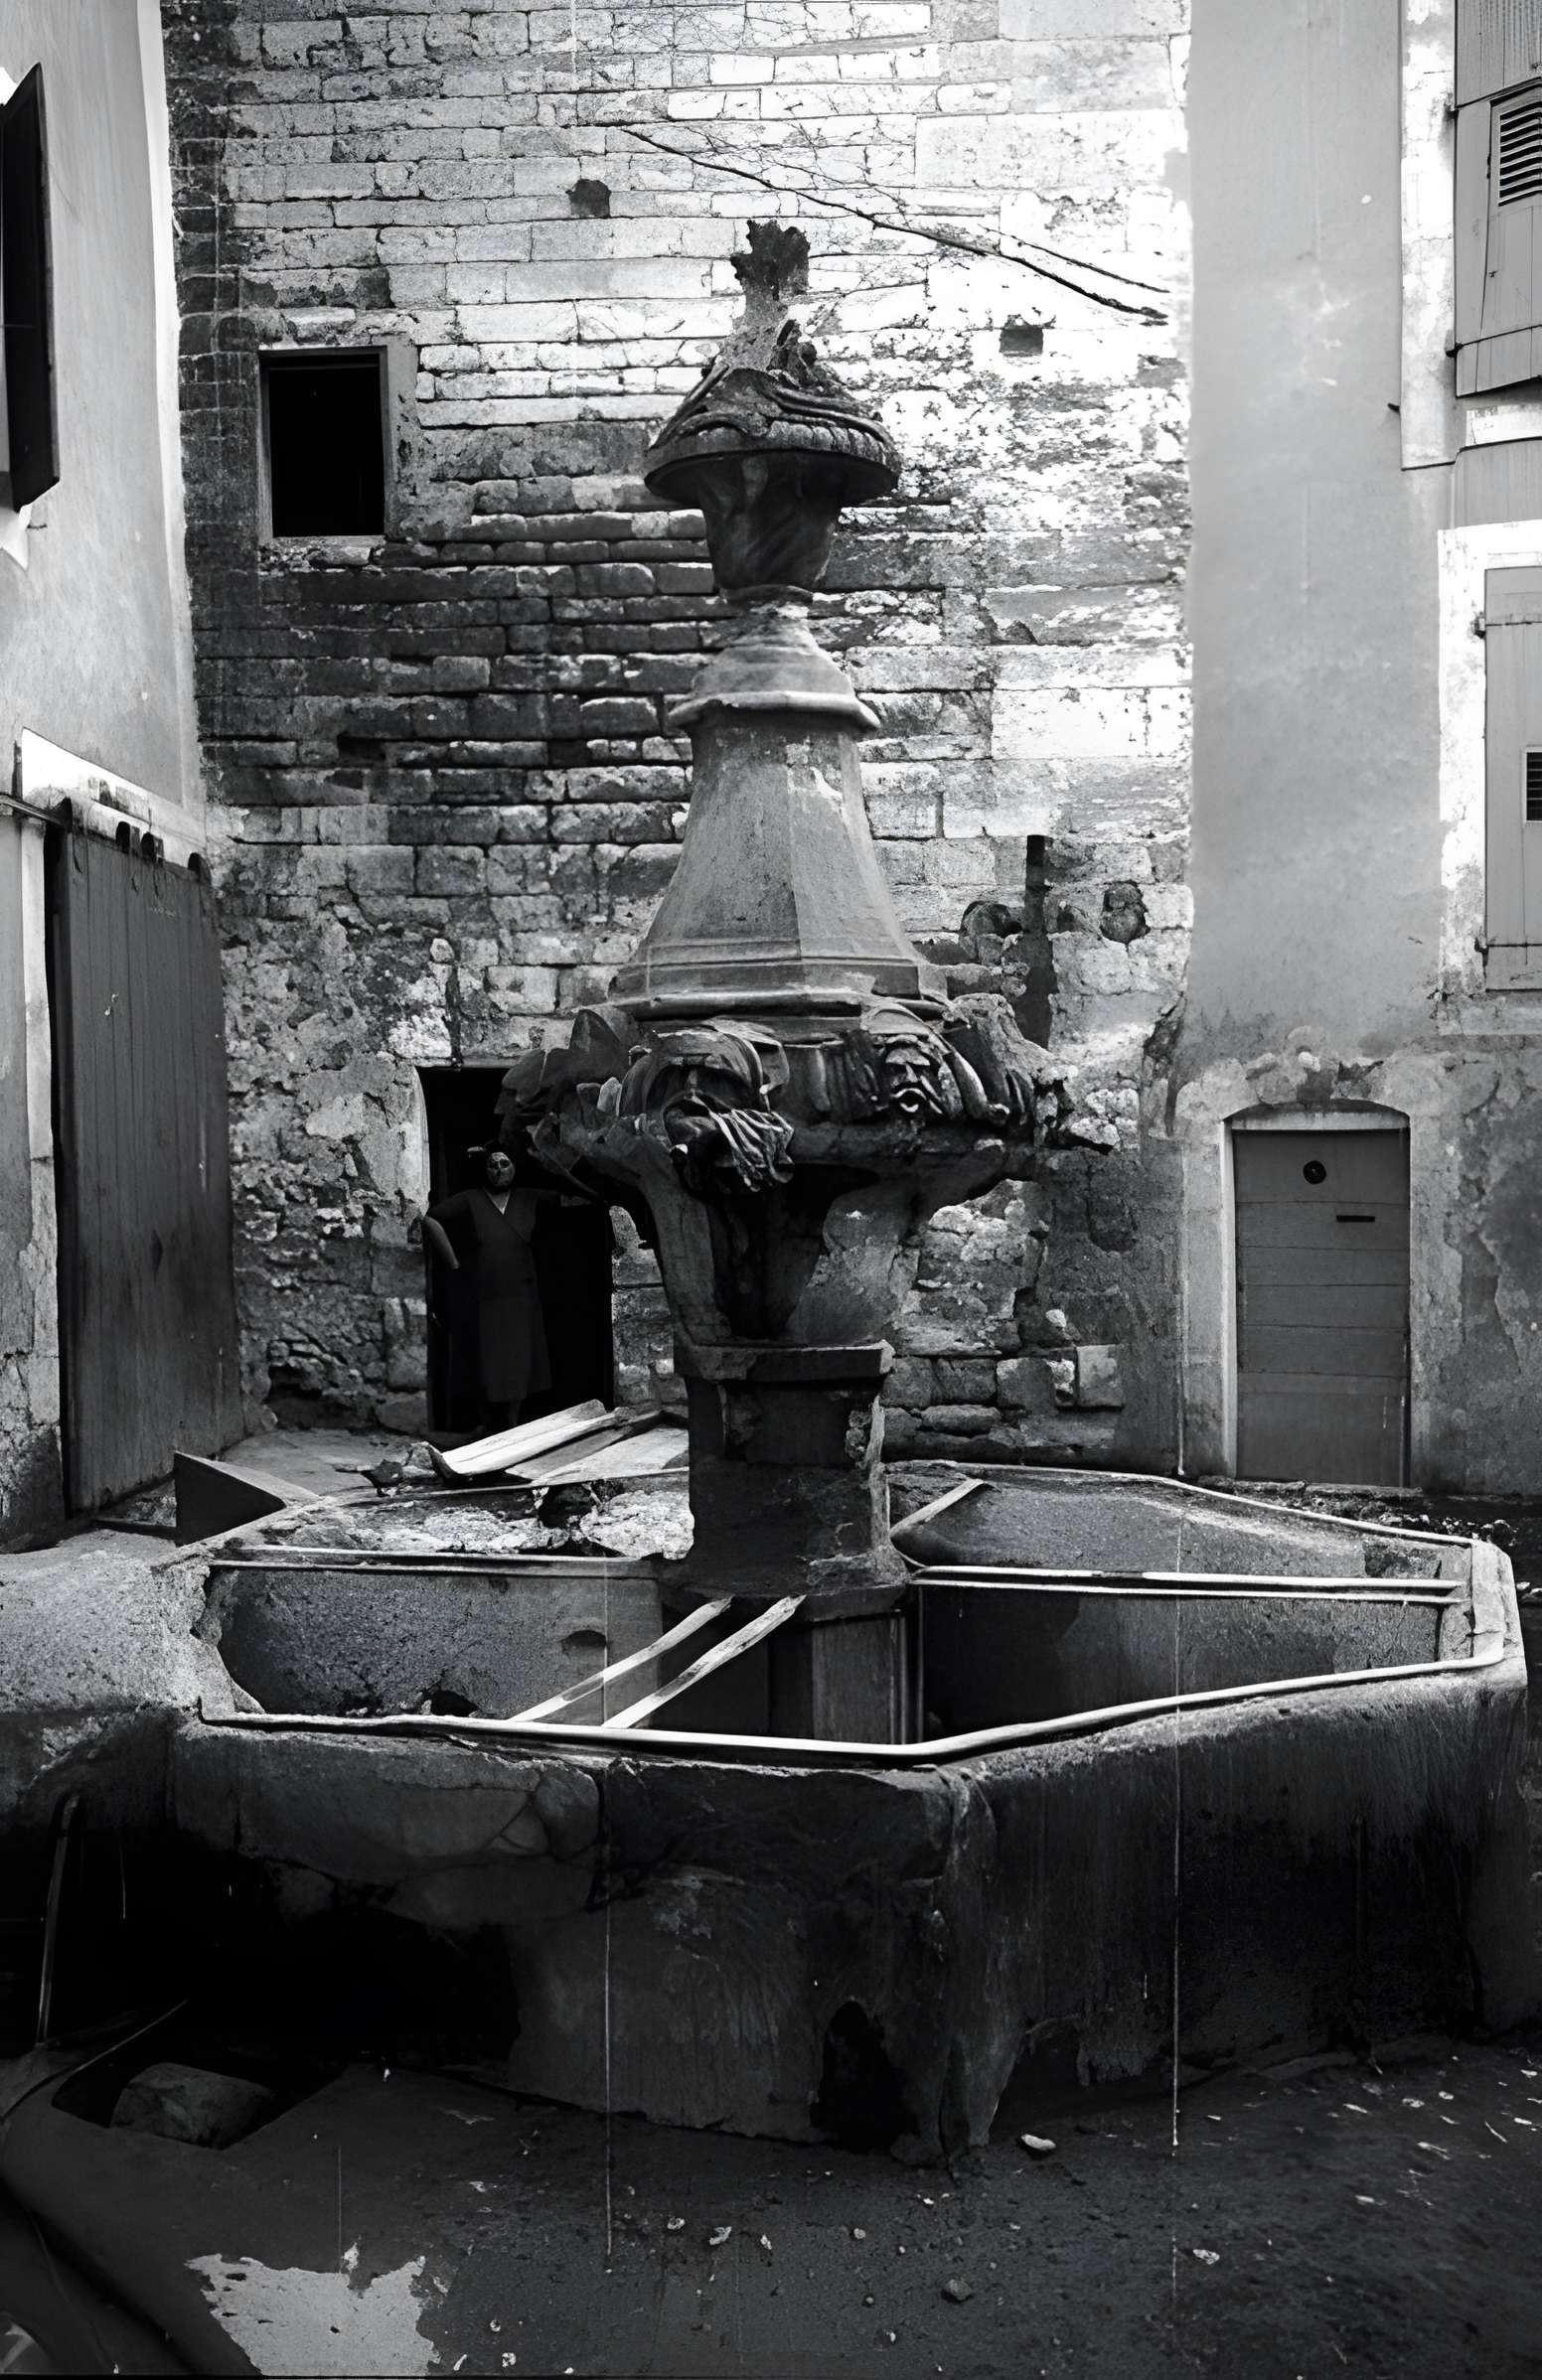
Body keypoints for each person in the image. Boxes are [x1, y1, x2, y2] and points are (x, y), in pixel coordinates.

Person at [422, 1146, 552, 1434]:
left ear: (515, 1168)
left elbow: (571, 1200)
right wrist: (453, 1262)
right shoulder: (471, 1199)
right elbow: (430, 1220)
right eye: (493, 1165)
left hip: (521, 1291)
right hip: (486, 1293)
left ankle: (514, 1424)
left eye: (505, 1164)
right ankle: (489, 1423)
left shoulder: (528, 1198)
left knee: (519, 1358)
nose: (498, 1170)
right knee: (488, 1357)